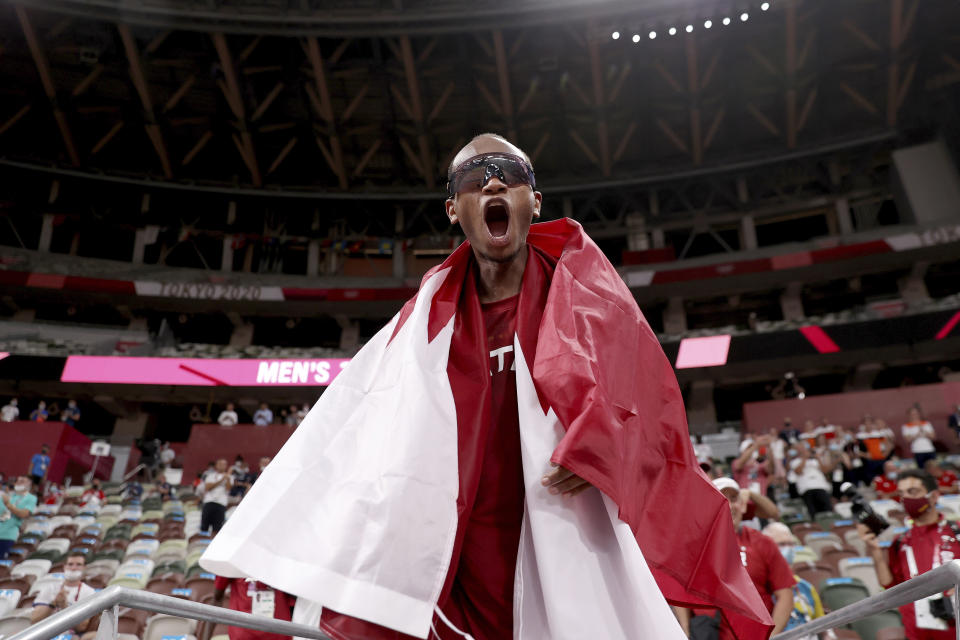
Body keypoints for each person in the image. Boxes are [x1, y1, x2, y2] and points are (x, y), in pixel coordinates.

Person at [201, 134, 772, 640]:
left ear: (534, 202)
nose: (494, 181)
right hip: (457, 552)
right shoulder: (423, 321)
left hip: (563, 527)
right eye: (475, 178)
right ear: (454, 210)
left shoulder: (591, 299)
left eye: (511, 174)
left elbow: (649, 410)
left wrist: (606, 445)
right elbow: (359, 425)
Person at [677, 478, 794, 639]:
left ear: (744, 505)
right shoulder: (694, 547)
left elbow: (785, 595)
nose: (730, 505)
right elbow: (680, 594)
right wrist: (684, 631)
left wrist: (771, 637)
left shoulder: (763, 543)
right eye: (722, 499)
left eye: (734, 499)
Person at [859, 469, 958, 639]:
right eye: (902, 493)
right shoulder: (900, 541)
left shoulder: (956, 532)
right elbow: (890, 585)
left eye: (913, 492)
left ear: (933, 496)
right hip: (916, 633)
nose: (906, 499)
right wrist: (874, 550)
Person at [762, 522, 825, 636]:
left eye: (791, 544)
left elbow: (823, 627)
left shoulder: (806, 587)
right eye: (781, 544)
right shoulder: (758, 588)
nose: (788, 549)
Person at [30, 552, 99, 639]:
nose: (73, 568)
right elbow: (35, 620)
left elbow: (81, 627)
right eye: (70, 564)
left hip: (71, 635)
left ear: (84, 568)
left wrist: (65, 607)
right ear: (64, 567)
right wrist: (53, 603)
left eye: (78, 565)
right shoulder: (49, 588)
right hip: (47, 632)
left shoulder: (89, 592)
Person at [213, 575, 297, 640]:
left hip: (279, 633)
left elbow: (298, 597)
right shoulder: (235, 557)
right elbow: (217, 597)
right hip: (244, 634)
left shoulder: (284, 560)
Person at [790, 442, 835, 518]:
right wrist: (804, 458)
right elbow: (798, 471)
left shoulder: (815, 461)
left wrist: (818, 458)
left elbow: (825, 471)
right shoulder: (795, 462)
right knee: (814, 513)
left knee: (828, 511)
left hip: (821, 487)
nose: (804, 450)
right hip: (807, 489)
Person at [0, 475, 37, 559]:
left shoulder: (31, 498)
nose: (19, 482)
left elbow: (24, 514)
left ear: (29, 484)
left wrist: (8, 505)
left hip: (7, 535)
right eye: (18, 481)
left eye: (22, 481)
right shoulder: (9, 496)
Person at [201, 458, 232, 533]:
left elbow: (228, 489)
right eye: (220, 464)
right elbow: (208, 487)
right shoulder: (210, 476)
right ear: (216, 465)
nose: (222, 466)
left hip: (221, 504)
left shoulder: (230, 477)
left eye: (224, 464)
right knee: (204, 526)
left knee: (217, 528)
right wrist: (222, 480)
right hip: (209, 502)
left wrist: (227, 478)